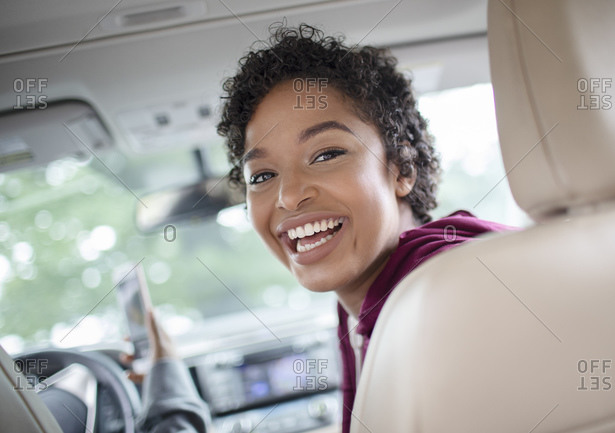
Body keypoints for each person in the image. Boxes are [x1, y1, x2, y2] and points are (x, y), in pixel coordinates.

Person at [129, 23, 512, 433]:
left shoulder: (445, 296)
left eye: (327, 153)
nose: (288, 196)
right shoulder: (369, 304)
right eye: (261, 176)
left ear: (402, 169)